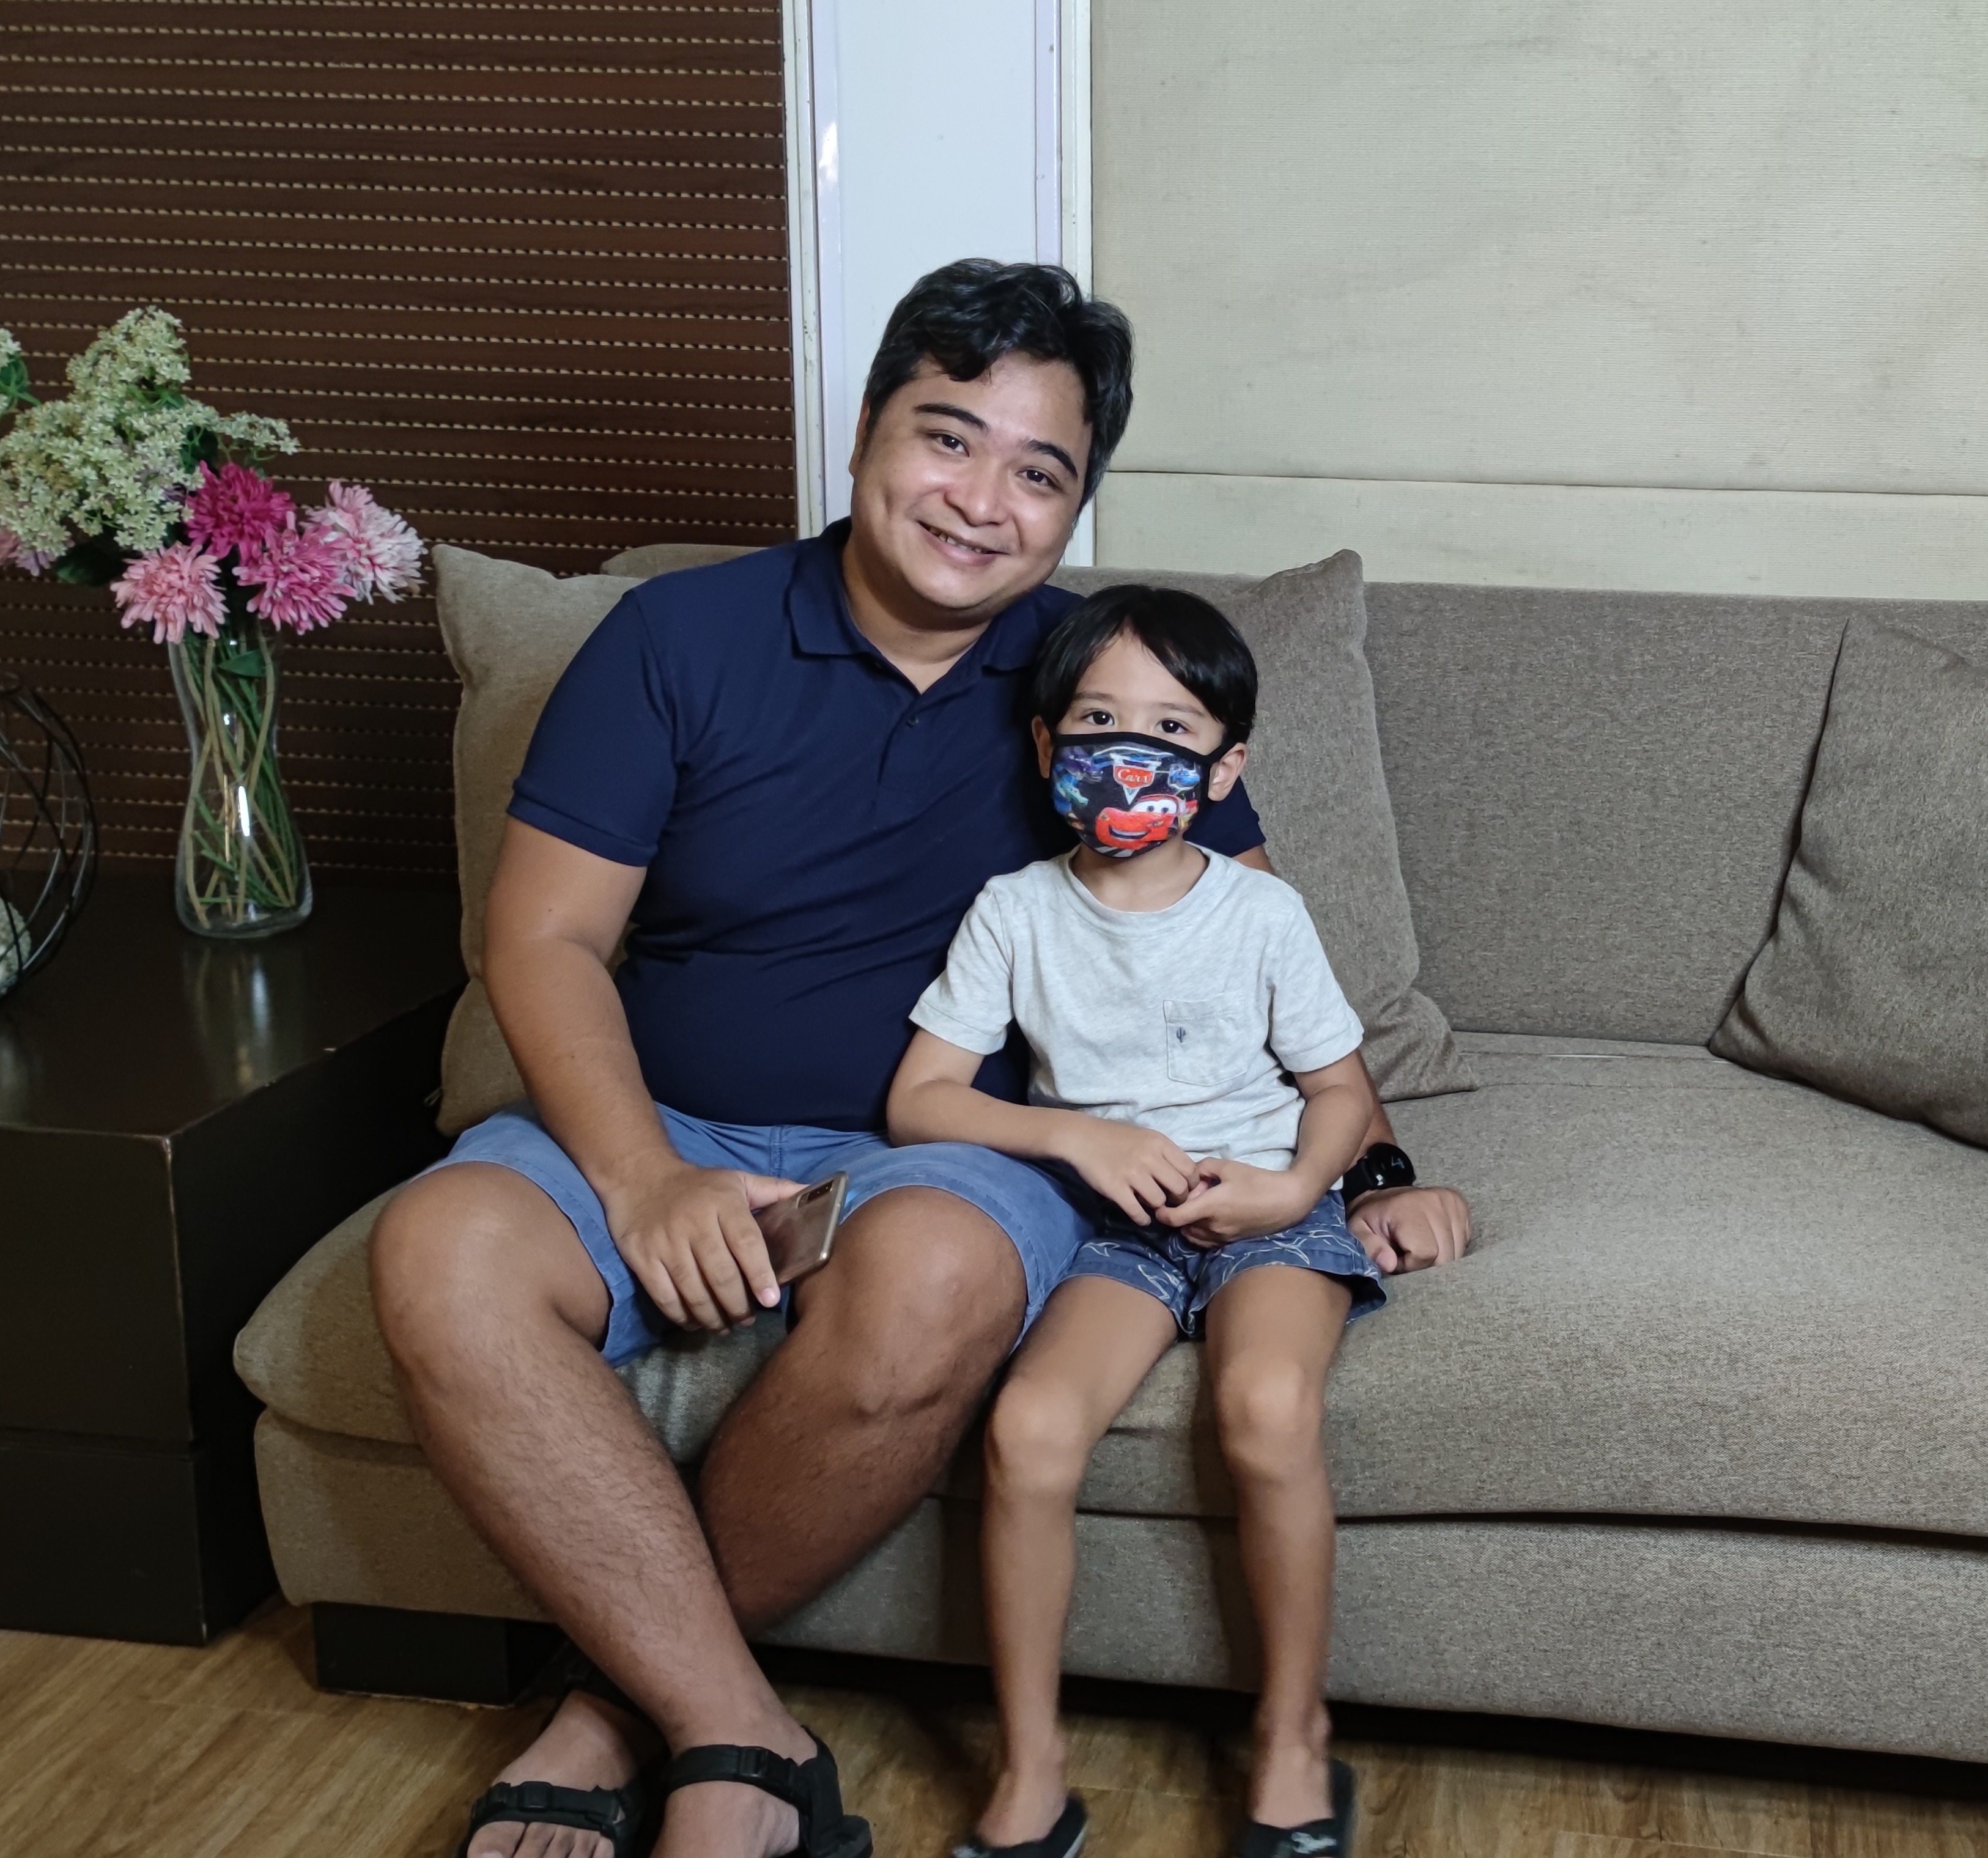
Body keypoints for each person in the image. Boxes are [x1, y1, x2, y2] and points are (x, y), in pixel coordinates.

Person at [366, 261, 1471, 1858]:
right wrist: (646, 1174)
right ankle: (744, 1730)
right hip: (653, 1114)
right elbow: (541, 940)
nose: (979, 500)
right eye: (947, 438)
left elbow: (1244, 955)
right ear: (868, 428)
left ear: (1076, 505)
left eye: (1038, 472)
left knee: (937, 1277)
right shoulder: (675, 635)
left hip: (945, 1151)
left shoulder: (1100, 682)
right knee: (437, 1248)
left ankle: (620, 1709)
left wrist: (1365, 1172)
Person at [891, 587, 1389, 1858]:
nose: (1130, 752)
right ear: (1046, 745)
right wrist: (1076, 1136)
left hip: (1264, 1209)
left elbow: (1340, 1090)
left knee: (1265, 1405)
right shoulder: (1015, 910)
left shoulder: (1262, 912)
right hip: (1112, 1225)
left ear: (1226, 767)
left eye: (1171, 729)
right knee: (1029, 1426)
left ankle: (1294, 1736)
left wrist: (1293, 1189)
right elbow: (920, 1099)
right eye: (1098, 720)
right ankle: (1033, 1767)